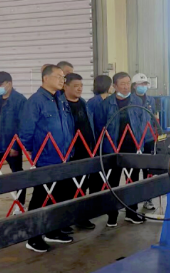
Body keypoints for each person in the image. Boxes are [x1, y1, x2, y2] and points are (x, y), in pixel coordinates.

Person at [19, 65, 75, 252]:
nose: (62, 80)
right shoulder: (35, 101)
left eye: (63, 77)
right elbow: (26, 130)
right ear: (45, 78)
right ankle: (33, 237)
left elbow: (68, 125)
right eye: (58, 76)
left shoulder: (60, 99)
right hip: (46, 157)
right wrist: (31, 153)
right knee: (40, 197)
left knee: (59, 196)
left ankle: (52, 230)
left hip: (64, 156)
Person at [94, 72, 147, 226]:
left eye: (128, 83)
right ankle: (112, 216)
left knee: (133, 181)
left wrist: (140, 145)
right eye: (122, 84)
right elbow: (99, 125)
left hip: (132, 147)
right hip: (113, 148)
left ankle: (132, 213)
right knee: (113, 182)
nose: (125, 87)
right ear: (114, 86)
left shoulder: (137, 101)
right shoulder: (106, 104)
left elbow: (143, 123)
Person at [0, 72, 27, 211]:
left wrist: (16, 146)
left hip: (12, 145)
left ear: (9, 83)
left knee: (17, 175)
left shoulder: (20, 100)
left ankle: (20, 205)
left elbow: (22, 125)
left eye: (0, 85)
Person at [62, 73, 97, 230]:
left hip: (86, 150)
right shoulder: (62, 105)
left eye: (81, 86)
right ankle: (65, 220)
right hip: (69, 152)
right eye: (76, 86)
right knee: (67, 187)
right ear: (65, 86)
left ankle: (81, 217)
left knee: (83, 186)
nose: (79, 89)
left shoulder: (83, 103)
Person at [132, 72, 157, 211]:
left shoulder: (151, 100)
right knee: (134, 171)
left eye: (145, 84)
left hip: (148, 138)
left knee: (148, 170)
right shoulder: (130, 100)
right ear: (134, 86)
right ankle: (133, 202)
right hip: (134, 139)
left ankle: (148, 199)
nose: (143, 86)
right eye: (140, 84)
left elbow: (153, 119)